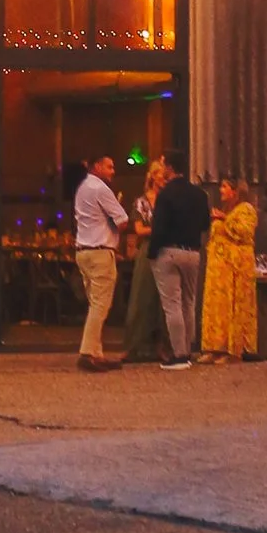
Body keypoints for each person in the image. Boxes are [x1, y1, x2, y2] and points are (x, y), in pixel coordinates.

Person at [148, 152, 211, 370]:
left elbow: (159, 228)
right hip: (193, 252)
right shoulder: (200, 195)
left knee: (172, 304)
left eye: (164, 165)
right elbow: (205, 225)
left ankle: (178, 354)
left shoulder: (165, 194)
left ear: (171, 168)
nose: (163, 168)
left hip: (169, 251)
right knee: (189, 302)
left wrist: (152, 253)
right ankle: (188, 349)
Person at [73, 150, 127, 371]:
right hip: (100, 251)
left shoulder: (83, 188)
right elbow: (122, 220)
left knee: (95, 303)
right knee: (101, 305)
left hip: (83, 250)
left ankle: (97, 353)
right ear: (96, 167)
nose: (112, 171)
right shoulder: (101, 189)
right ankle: (87, 352)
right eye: (109, 166)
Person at [199, 174, 259, 364]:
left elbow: (244, 232)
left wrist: (224, 218)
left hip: (236, 267)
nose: (221, 191)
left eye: (225, 187)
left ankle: (234, 350)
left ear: (235, 191)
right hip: (218, 270)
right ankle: (214, 347)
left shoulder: (246, 209)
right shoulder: (225, 209)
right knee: (216, 308)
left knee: (233, 307)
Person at [121, 161, 166, 364]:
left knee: (163, 298)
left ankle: (162, 345)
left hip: (165, 248)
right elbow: (138, 229)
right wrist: (159, 229)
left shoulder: (167, 200)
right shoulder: (141, 202)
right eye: (161, 175)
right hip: (148, 249)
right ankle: (134, 345)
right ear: (153, 177)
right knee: (142, 294)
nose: (163, 179)